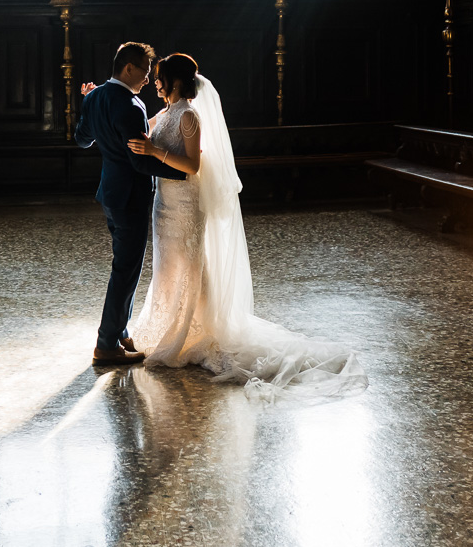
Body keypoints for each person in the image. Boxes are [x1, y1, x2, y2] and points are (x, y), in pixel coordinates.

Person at [124, 54, 366, 399]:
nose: (156, 83)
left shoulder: (189, 116)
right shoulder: (164, 113)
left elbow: (192, 165)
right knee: (168, 266)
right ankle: (167, 324)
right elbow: (141, 132)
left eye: (160, 77)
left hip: (186, 204)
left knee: (191, 266)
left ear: (175, 81)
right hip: (163, 204)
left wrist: (154, 152)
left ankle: (196, 329)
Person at [75, 43, 184, 365]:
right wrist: (184, 173)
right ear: (129, 69)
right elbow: (140, 162)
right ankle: (106, 343)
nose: (148, 80)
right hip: (131, 196)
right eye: (146, 73)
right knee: (125, 270)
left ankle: (121, 332)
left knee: (126, 267)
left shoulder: (94, 97)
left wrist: (91, 108)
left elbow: (82, 140)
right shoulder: (131, 105)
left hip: (109, 194)